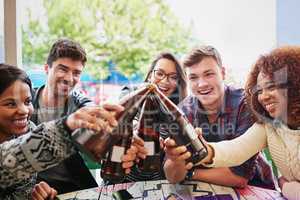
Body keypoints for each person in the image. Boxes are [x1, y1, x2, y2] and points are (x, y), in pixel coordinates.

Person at [0, 63, 127, 199]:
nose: (24, 111)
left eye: (27, 102)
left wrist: (35, 193)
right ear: (47, 69)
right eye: (10, 104)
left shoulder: (28, 129)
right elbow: (10, 161)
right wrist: (67, 126)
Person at [163, 45, 275, 189]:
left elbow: (238, 177)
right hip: (201, 189)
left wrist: (189, 172)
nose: (202, 84)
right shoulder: (183, 111)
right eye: (193, 77)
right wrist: (175, 160)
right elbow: (172, 176)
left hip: (255, 189)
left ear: (222, 73)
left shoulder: (246, 104)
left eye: (209, 74)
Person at [30, 39, 99, 194]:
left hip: (73, 188)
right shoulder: (27, 103)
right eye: (63, 69)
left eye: (76, 73)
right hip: (33, 189)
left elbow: (92, 110)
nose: (69, 78)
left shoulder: (79, 104)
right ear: (47, 69)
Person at [116, 52, 187, 183]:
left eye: (173, 77)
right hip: (121, 179)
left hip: (158, 184)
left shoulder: (178, 110)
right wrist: (135, 131)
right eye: (160, 73)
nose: (165, 81)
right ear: (150, 75)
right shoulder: (130, 93)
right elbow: (121, 121)